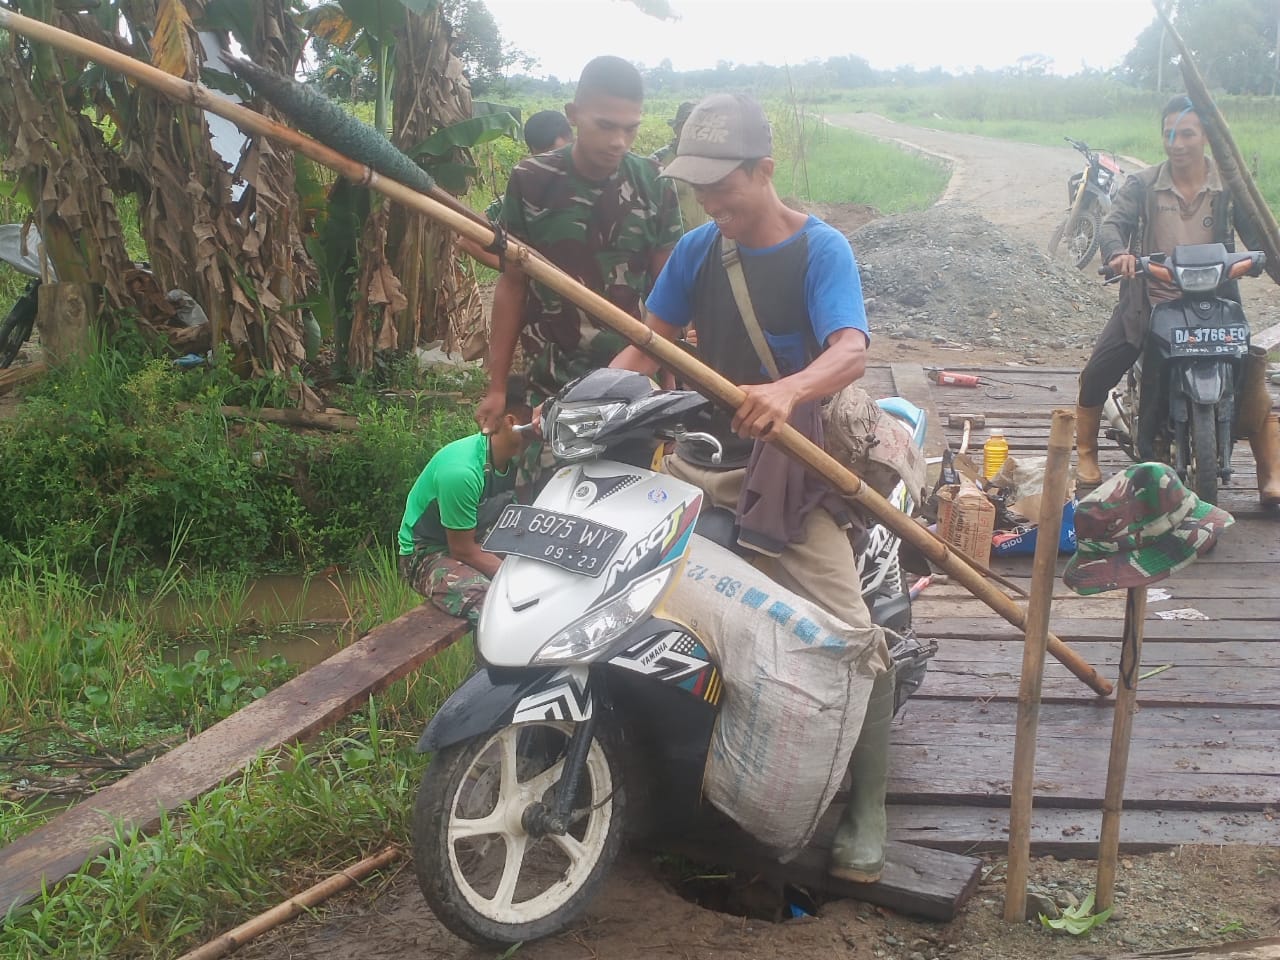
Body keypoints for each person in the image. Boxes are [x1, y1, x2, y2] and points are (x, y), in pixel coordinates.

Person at [609, 92, 894, 884]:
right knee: (635, 591)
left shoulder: (821, 250)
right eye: (697, 188)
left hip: (793, 472)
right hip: (702, 460)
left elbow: (851, 350)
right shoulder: (699, 248)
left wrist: (790, 390)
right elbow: (645, 343)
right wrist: (583, 399)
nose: (710, 202)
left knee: (850, 626)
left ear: (765, 171)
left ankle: (870, 803)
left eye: (723, 185)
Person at [474, 55, 683, 466]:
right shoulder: (532, 181)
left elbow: (668, 296)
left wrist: (671, 383)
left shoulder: (655, 185)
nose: (619, 141)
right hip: (551, 381)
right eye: (605, 125)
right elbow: (513, 285)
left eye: (630, 128)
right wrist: (498, 386)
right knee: (549, 504)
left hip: (631, 384)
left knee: (630, 500)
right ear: (573, 116)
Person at [1076, 94, 1280, 507]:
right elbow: (1113, 224)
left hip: (1215, 301)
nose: (1177, 142)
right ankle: (1085, 453)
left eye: (1187, 133)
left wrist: (1259, 258)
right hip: (1150, 298)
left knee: (1252, 377)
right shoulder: (1143, 183)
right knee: (1099, 370)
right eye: (1169, 133)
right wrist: (1118, 254)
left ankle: (1270, 474)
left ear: (1206, 135)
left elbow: (1257, 238)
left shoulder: (1228, 188)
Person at [398, 376, 532, 626]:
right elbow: (462, 550)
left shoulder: (524, 462)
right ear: (512, 422)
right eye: (536, 421)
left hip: (484, 539)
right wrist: (515, 579)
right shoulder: (462, 471)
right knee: (491, 604)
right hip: (429, 552)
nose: (542, 427)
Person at [459, 111, 574, 272]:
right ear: (532, 154)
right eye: (543, 160)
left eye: (558, 156)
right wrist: (519, 271)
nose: (551, 167)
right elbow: (468, 239)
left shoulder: (607, 185)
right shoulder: (523, 195)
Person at [651, 101, 710, 233]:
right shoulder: (659, 161)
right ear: (676, 128)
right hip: (672, 242)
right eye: (688, 125)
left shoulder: (706, 158)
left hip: (702, 239)